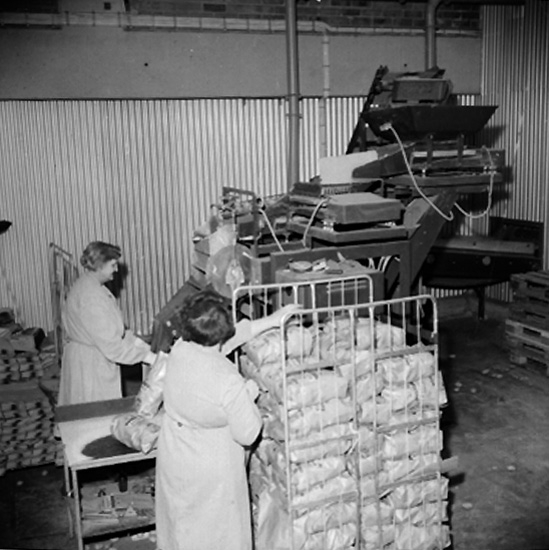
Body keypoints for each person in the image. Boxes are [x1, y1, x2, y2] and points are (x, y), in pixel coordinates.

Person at [155, 288, 300, 550]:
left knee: (183, 529)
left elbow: (227, 342)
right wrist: (249, 393)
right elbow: (248, 433)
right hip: (209, 468)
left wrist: (272, 320)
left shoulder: (181, 349)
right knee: (215, 536)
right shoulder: (227, 378)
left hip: (176, 454)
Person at [58, 241, 157, 406]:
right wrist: (148, 357)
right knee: (95, 414)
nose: (116, 269)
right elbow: (113, 347)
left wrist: (138, 344)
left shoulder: (91, 285)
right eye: (113, 265)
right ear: (100, 265)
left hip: (87, 358)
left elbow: (114, 331)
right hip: (90, 365)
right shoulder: (92, 297)